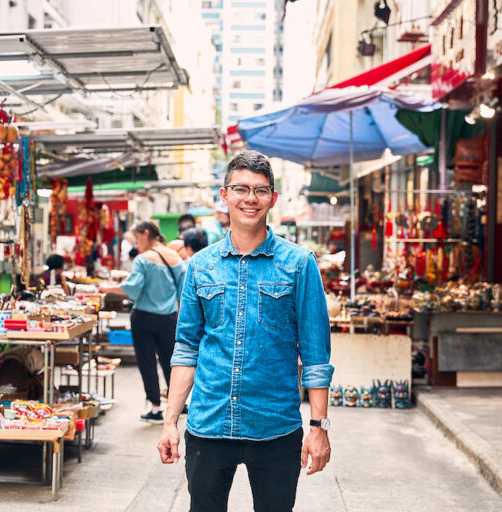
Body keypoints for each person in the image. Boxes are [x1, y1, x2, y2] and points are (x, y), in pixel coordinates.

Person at [158, 151, 334, 512]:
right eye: (240, 189)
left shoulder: (299, 264)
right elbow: (187, 347)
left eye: (260, 190)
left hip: (275, 427)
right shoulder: (200, 267)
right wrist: (170, 421)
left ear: (273, 198)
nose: (250, 198)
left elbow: (316, 356)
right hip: (209, 424)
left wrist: (319, 426)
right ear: (224, 196)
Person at [100, 220, 186, 424]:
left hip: (144, 318)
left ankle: (155, 408)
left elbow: (132, 288)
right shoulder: (175, 257)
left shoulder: (143, 260)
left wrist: (108, 289)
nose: (137, 244)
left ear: (146, 234)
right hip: (169, 318)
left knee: (147, 362)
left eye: (138, 238)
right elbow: (182, 292)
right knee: (170, 361)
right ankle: (179, 405)